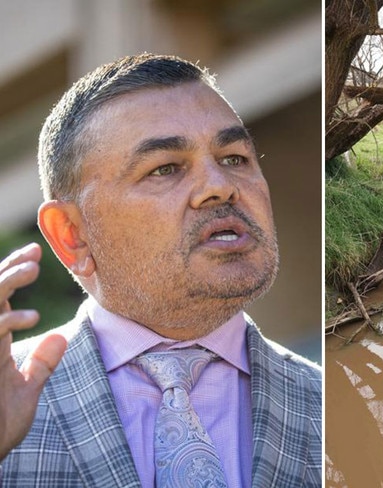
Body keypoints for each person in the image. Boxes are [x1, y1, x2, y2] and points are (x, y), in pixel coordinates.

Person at [0, 53, 322, 487]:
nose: (220, 186)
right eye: (165, 168)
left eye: (234, 157)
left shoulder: (330, 403)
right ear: (72, 233)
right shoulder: (10, 403)